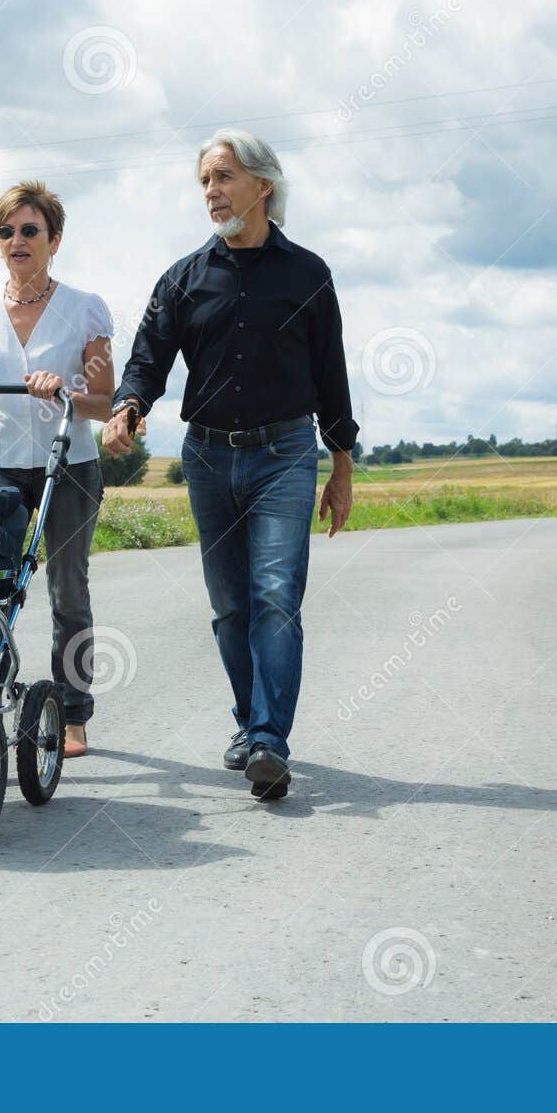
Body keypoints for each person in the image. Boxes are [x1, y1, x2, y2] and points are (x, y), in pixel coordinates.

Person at [103, 129, 357, 801]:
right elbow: (147, 360)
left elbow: (331, 375)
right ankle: (250, 723)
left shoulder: (308, 274)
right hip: (208, 458)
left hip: (285, 455)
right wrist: (128, 405)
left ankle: (270, 740)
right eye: (205, 182)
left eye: (223, 178)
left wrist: (341, 466)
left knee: (276, 595)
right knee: (230, 606)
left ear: (263, 185)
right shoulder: (183, 278)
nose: (211, 193)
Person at [0, 180, 113, 757]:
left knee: (68, 589)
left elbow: (105, 401)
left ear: (54, 240)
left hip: (67, 466)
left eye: (29, 230)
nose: (16, 241)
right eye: (6, 231)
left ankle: (73, 715)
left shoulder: (85, 309)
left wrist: (63, 389)